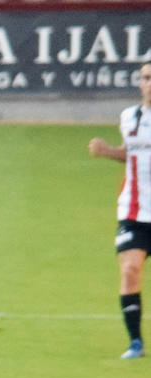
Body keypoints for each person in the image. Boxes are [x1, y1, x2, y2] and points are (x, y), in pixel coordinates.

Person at [88, 61, 151, 360]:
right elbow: (132, 152)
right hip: (134, 212)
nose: (149, 83)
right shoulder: (130, 117)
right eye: (146, 78)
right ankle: (135, 342)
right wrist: (107, 151)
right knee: (129, 270)